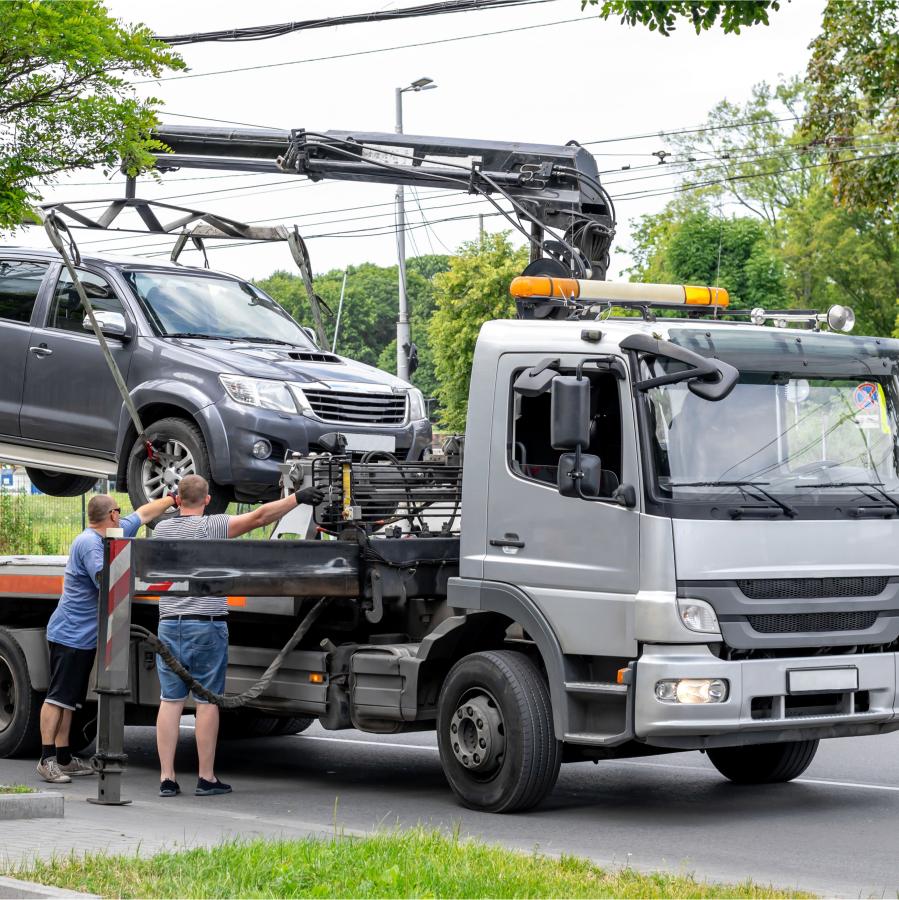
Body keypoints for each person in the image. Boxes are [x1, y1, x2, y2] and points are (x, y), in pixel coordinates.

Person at [152, 474, 323, 798]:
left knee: (170, 700)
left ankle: (167, 778)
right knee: (206, 701)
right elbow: (259, 516)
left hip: (169, 623)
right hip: (205, 624)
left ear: (178, 499)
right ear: (206, 500)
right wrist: (298, 498)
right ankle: (206, 777)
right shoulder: (212, 526)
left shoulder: (163, 529)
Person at [37, 492, 176, 784]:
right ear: (112, 515)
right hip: (70, 635)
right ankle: (46, 760)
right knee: (57, 698)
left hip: (83, 637)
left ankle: (64, 758)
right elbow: (107, 580)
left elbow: (144, 514)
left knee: (70, 701)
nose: (122, 514)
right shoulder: (90, 545)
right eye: (119, 510)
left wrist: (171, 499)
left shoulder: (111, 533)